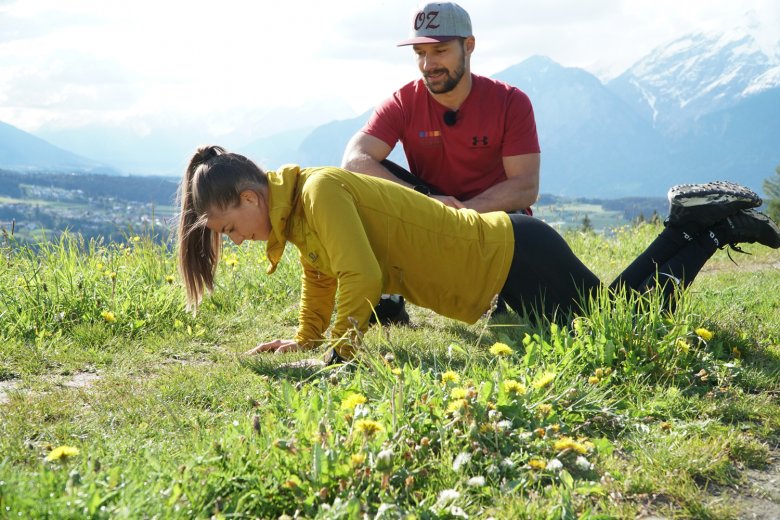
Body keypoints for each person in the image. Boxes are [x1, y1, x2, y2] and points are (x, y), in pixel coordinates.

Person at [177, 146, 780, 365]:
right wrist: (305, 340)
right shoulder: (301, 214)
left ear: (252, 198)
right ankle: (696, 227)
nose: (234, 241)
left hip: (514, 254)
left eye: (230, 227)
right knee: (613, 313)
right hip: (501, 279)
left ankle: (703, 231)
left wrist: (337, 355)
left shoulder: (319, 190)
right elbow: (324, 277)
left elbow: (359, 273)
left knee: (623, 320)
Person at [341, 1, 541, 323]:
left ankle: (496, 289)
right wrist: (429, 204)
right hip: (429, 216)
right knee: (367, 184)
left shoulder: (510, 102)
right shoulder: (403, 101)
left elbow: (525, 187)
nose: (427, 64)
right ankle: (388, 298)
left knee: (529, 292)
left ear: (469, 46)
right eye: (420, 53)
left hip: (491, 222)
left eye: (440, 51)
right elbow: (354, 160)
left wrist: (463, 213)